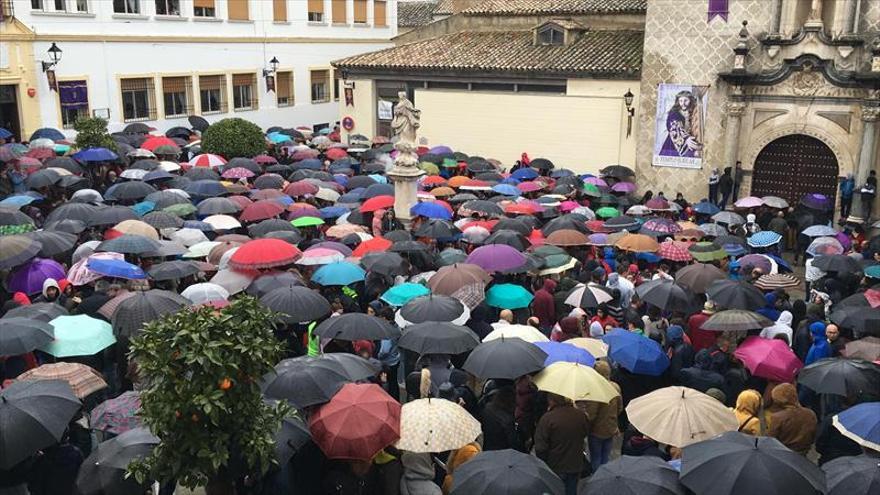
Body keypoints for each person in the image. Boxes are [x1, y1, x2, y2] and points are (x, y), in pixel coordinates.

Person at [534, 393, 590, 495]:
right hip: (575, 463)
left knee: (554, 490)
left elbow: (540, 447)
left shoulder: (547, 418)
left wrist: (543, 463)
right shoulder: (581, 415)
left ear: (551, 401)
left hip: (555, 465)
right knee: (572, 490)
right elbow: (586, 432)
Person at [580, 361, 621, 471]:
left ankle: (596, 478)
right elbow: (620, 408)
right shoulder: (615, 387)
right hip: (610, 427)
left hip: (596, 430)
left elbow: (592, 414)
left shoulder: (595, 389)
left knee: (596, 458)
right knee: (605, 457)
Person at [768, 383, 817, 455]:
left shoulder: (777, 417)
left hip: (783, 454)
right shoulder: (810, 414)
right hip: (803, 452)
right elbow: (813, 436)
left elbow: (770, 440)